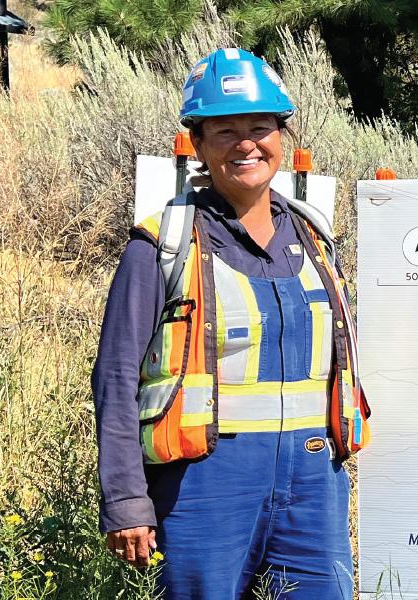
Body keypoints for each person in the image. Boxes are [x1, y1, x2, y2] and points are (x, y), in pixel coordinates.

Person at [91, 47, 370, 599]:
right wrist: (126, 498)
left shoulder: (315, 239)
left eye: (260, 127)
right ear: (197, 145)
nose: (247, 143)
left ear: (282, 137)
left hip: (316, 488)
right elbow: (117, 377)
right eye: (225, 131)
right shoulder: (160, 247)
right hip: (203, 490)